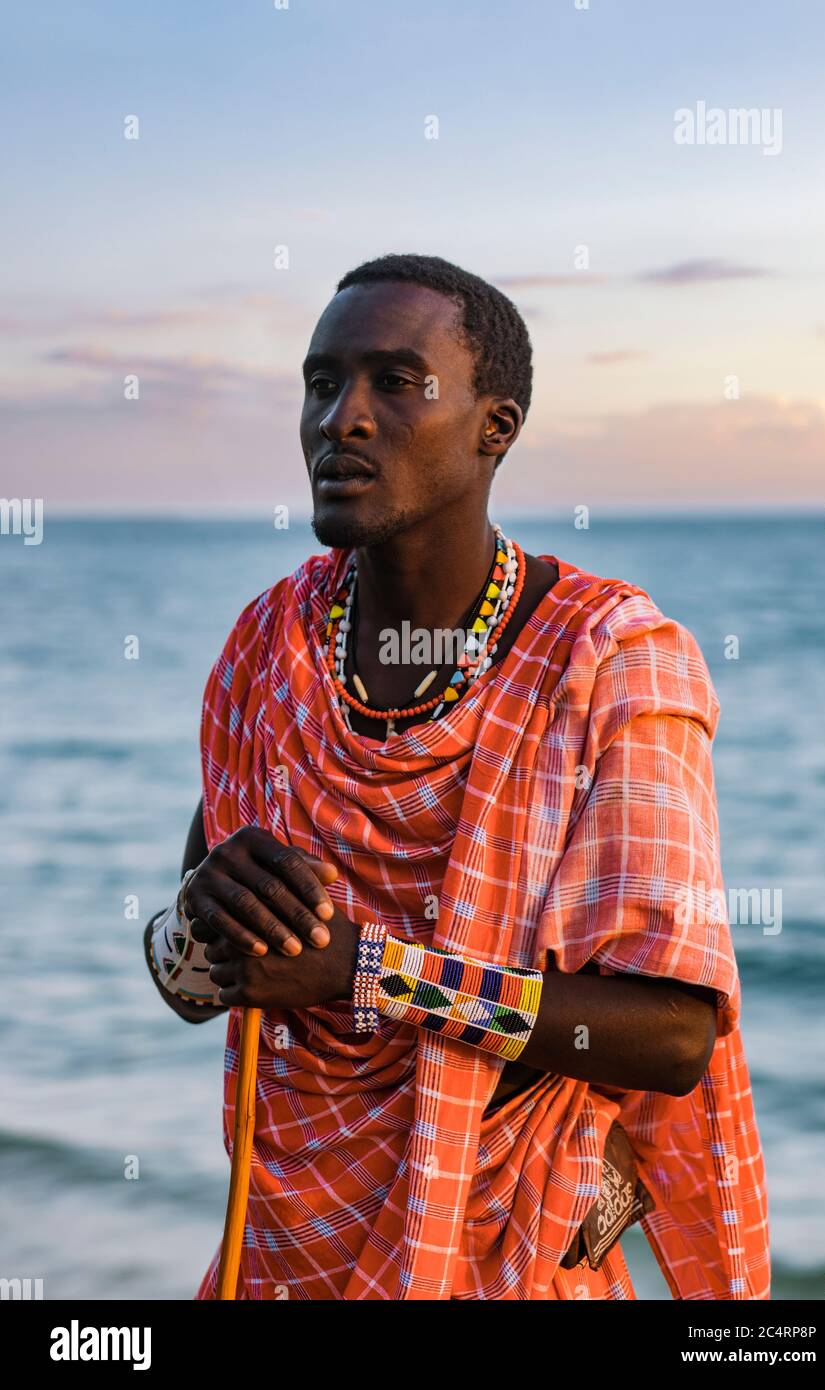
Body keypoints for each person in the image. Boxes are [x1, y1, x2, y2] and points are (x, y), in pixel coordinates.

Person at [144, 253, 771, 1301]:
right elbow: (196, 988)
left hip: (511, 1244)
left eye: (396, 381)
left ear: (496, 425)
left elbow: (671, 1035)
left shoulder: (610, 660)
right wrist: (195, 924)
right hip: (285, 1245)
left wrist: (366, 972)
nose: (340, 417)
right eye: (320, 382)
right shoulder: (269, 651)